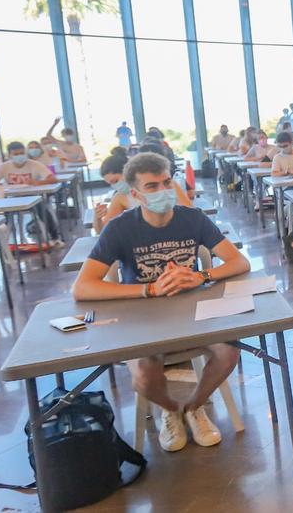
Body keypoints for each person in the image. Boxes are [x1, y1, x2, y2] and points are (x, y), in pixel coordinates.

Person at [73, 153, 250, 453]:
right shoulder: (119, 228)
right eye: (152, 186)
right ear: (135, 194)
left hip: (193, 312)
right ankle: (171, 409)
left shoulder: (192, 218)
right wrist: (148, 290)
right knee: (144, 374)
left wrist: (201, 275)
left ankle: (195, 407)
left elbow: (239, 262)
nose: (162, 191)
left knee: (228, 352)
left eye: (167, 182)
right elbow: (83, 287)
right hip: (143, 318)